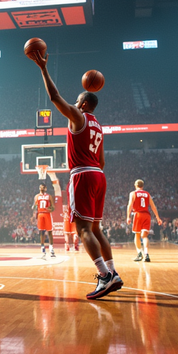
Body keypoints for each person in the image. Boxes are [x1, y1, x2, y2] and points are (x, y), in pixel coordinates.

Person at [29, 51, 120, 300]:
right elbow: (102, 161)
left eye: (77, 100)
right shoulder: (99, 126)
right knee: (96, 228)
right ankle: (113, 272)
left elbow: (54, 97)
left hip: (82, 174)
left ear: (84, 104)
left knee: (83, 229)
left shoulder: (78, 117)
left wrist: (43, 68)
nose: (75, 103)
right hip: (99, 175)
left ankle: (104, 275)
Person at [127, 179, 162, 262]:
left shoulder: (133, 193)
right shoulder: (147, 194)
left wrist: (128, 216)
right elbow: (153, 206)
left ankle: (139, 253)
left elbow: (130, 205)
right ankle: (146, 254)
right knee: (144, 236)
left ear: (135, 185)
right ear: (142, 186)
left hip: (138, 214)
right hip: (147, 215)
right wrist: (158, 217)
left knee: (137, 235)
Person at [34, 184, 56, 258]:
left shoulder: (49, 196)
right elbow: (35, 206)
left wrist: (51, 209)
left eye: (43, 187)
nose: (41, 188)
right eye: (40, 187)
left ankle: (51, 248)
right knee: (41, 232)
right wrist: (34, 210)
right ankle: (42, 247)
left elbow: (53, 207)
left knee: (49, 231)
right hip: (40, 214)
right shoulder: (36, 196)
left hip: (47, 214)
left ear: (45, 188)